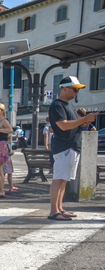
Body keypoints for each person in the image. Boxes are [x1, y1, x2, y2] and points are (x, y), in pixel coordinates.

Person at [48, 76, 100, 221]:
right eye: (75, 89)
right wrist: (84, 119)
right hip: (65, 146)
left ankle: (59, 208)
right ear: (65, 89)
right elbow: (63, 125)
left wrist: (81, 123)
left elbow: (68, 124)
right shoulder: (58, 105)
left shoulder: (67, 105)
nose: (77, 92)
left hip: (70, 146)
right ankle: (53, 211)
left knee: (63, 180)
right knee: (59, 179)